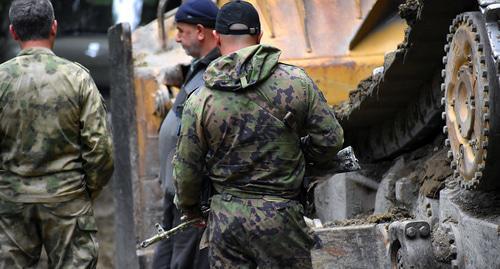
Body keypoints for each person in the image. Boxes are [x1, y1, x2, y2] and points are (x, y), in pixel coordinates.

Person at [173, 1, 344, 268]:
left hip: (226, 222)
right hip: (282, 217)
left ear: (216, 37)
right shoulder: (297, 82)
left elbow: (186, 169)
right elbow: (331, 140)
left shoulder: (200, 99)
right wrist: (299, 159)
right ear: (260, 37)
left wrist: (191, 209)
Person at [0, 0, 114, 268]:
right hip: (68, 203)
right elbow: (101, 150)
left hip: (11, 205)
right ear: (54, 28)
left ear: (13, 32)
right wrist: (84, 192)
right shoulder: (78, 78)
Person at [152, 0, 220, 268]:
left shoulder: (215, 73)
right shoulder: (198, 67)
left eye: (182, 30)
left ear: (201, 31)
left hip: (193, 194)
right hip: (176, 189)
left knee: (186, 260)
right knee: (167, 257)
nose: (177, 38)